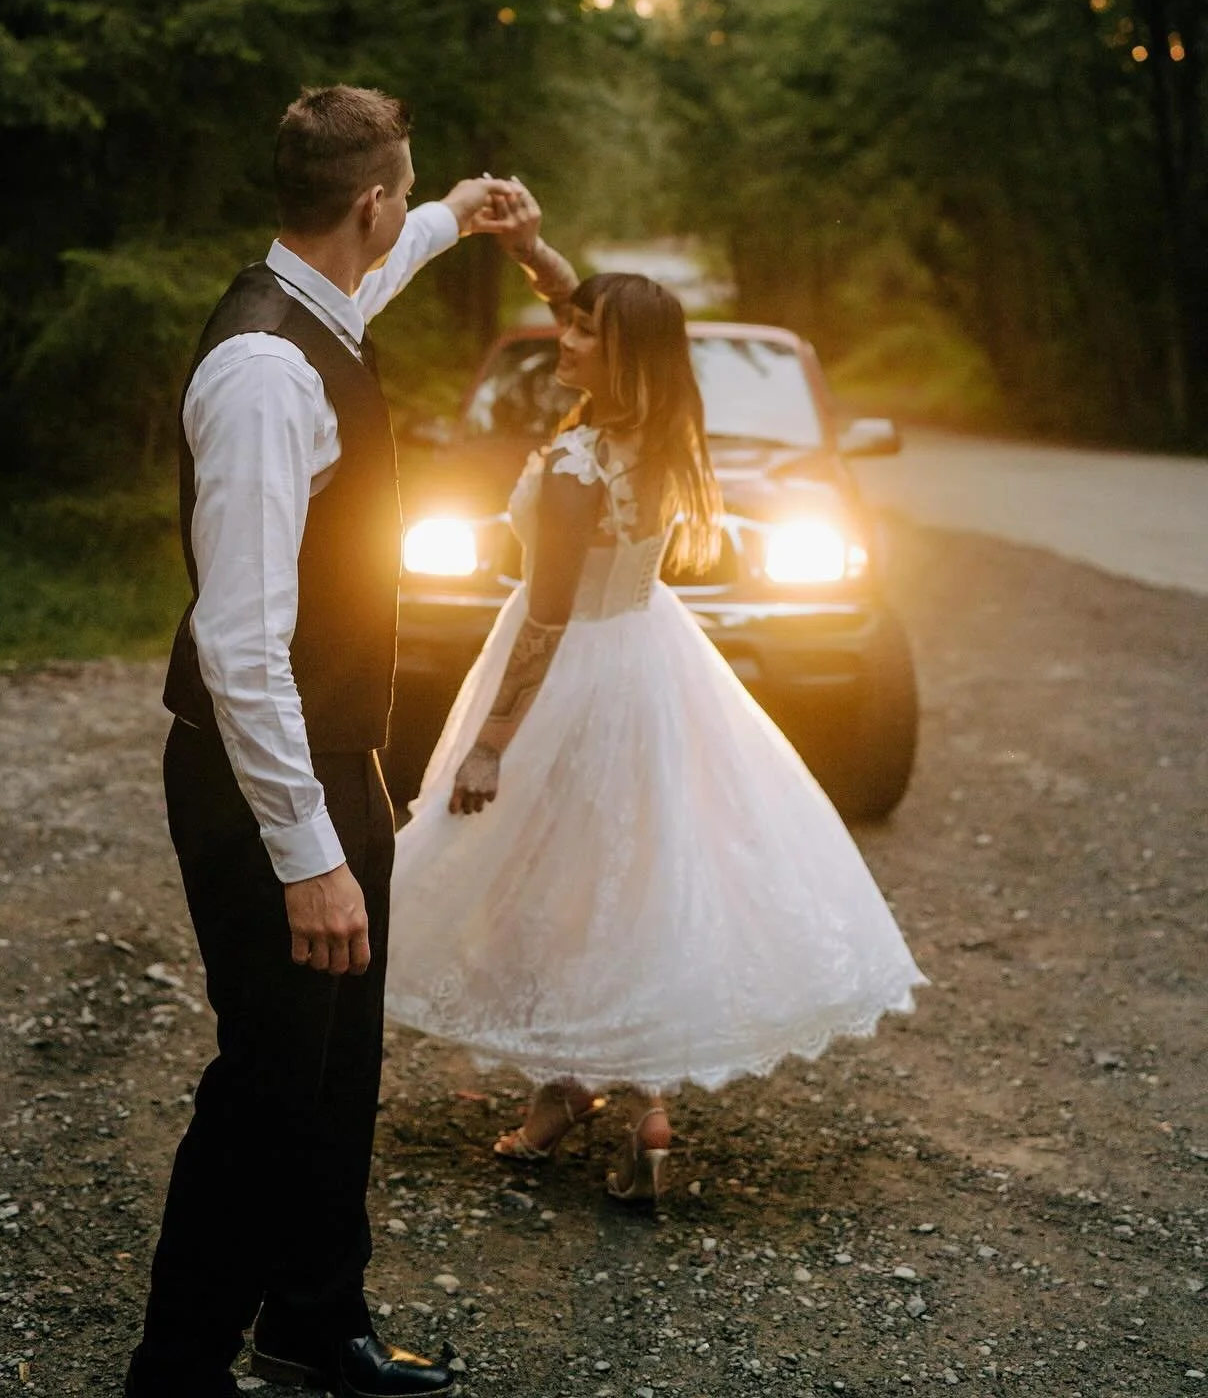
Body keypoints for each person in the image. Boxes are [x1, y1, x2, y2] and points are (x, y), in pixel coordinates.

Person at [125, 86, 540, 1398]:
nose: (400, 216)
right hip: (263, 782)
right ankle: (178, 1369)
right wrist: (307, 854)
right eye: (401, 197)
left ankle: (313, 1320)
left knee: (339, 1067)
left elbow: (380, 268)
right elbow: (241, 649)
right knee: (267, 1083)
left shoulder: (317, 307)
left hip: (339, 759)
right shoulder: (261, 371)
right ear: (363, 200)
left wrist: (458, 219)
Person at [385, 231, 926, 1205]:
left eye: (581, 333)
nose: (563, 338)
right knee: (634, 879)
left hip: (577, 675)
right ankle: (620, 1107)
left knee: (540, 887)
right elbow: (582, 307)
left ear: (616, 352)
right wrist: (533, 246)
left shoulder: (578, 466)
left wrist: (491, 746)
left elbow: (546, 618)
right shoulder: (665, 428)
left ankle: (598, 1096)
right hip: (652, 656)